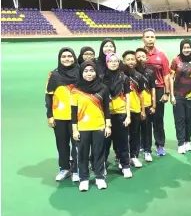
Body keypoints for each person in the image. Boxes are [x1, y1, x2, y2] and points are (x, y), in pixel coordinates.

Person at [71, 60, 111, 191]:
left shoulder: (103, 88)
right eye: (86, 71)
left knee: (98, 153)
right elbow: (73, 112)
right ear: (81, 73)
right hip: (82, 128)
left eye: (92, 71)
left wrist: (108, 126)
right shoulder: (75, 90)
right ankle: (84, 178)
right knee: (82, 154)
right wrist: (75, 130)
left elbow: (106, 109)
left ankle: (99, 177)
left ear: (96, 72)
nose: (89, 73)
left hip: (99, 126)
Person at [45, 47, 79, 182]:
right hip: (59, 116)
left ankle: (76, 169)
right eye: (64, 56)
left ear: (74, 58)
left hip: (77, 117)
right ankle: (64, 168)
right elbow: (48, 97)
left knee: (77, 144)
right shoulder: (54, 75)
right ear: (59, 59)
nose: (67, 59)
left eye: (70, 56)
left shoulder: (80, 72)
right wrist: (49, 115)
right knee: (62, 144)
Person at [103, 53, 132, 178]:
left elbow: (128, 97)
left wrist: (128, 115)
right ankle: (102, 165)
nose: (113, 63)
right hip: (105, 115)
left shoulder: (124, 78)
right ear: (107, 62)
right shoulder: (101, 78)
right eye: (111, 61)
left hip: (121, 114)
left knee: (123, 142)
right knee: (104, 142)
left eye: (116, 61)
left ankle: (125, 165)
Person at [143, 28, 170, 156]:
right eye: (147, 37)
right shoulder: (139, 55)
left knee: (158, 119)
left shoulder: (161, 55)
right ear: (143, 39)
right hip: (143, 91)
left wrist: (167, 92)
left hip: (159, 89)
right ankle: (145, 146)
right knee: (144, 120)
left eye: (152, 37)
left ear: (155, 39)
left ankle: (160, 145)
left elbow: (166, 75)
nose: (150, 39)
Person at [170, 39, 191, 154]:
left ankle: (187, 141)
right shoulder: (176, 61)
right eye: (184, 48)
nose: (186, 50)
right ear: (181, 48)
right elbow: (171, 78)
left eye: (189, 47)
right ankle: (181, 143)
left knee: (188, 120)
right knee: (179, 120)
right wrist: (172, 95)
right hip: (178, 95)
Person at [123, 50, 146, 167]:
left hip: (136, 109)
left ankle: (134, 156)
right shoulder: (120, 75)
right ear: (123, 61)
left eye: (133, 59)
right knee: (122, 135)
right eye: (128, 59)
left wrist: (142, 110)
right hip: (122, 110)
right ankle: (122, 157)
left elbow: (141, 94)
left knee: (135, 134)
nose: (131, 62)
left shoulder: (139, 76)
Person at [135, 48, 156, 162]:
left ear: (146, 58)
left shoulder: (150, 72)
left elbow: (153, 89)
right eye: (138, 57)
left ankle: (148, 151)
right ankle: (136, 151)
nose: (140, 59)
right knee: (135, 130)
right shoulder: (130, 73)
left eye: (142, 56)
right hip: (135, 106)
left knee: (147, 129)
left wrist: (154, 105)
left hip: (147, 105)